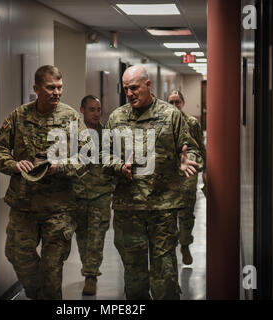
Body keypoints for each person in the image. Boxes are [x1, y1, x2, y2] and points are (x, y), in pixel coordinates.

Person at [103, 66, 203, 300]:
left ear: (148, 85)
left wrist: (187, 162)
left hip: (163, 209)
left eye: (135, 87)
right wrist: (119, 166)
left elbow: (194, 151)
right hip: (128, 210)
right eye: (126, 88)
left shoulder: (171, 116)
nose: (130, 93)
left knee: (165, 276)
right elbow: (101, 155)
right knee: (134, 277)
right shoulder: (117, 118)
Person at [0, 65, 88, 300]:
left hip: (58, 208)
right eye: (50, 87)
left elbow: (87, 155)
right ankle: (38, 294)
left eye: (59, 87)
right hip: (24, 205)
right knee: (16, 254)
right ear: (36, 88)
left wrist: (59, 166)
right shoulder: (19, 116)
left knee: (52, 270)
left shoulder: (70, 117)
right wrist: (13, 164)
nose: (56, 92)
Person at [71, 95, 113, 296]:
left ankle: (91, 275)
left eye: (98, 109)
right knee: (82, 237)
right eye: (91, 109)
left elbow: (115, 161)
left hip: (101, 195)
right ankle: (88, 268)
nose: (96, 113)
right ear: (82, 110)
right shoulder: (72, 134)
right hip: (77, 195)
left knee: (96, 237)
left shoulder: (108, 135)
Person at [167, 90, 207, 265]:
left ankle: (185, 243)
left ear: (183, 102)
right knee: (167, 212)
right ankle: (169, 247)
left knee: (186, 210)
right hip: (169, 168)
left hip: (188, 169)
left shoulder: (191, 122)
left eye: (177, 101)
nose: (175, 105)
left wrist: (206, 169)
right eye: (171, 102)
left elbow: (201, 146)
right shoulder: (163, 122)